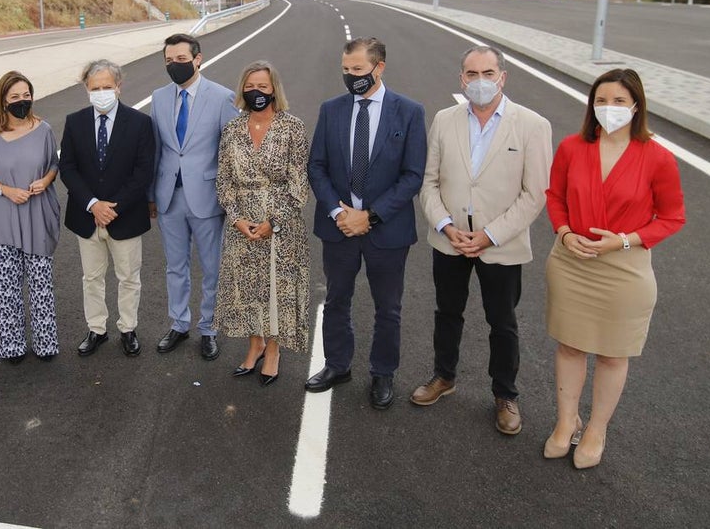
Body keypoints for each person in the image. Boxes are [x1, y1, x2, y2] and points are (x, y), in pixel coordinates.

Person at [542, 68, 685, 468]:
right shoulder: (572, 147)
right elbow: (555, 197)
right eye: (601, 101)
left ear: (636, 106)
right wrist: (566, 233)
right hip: (572, 260)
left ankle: (596, 430)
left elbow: (672, 217)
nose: (609, 108)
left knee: (611, 354)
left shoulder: (658, 158)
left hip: (624, 268)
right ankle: (566, 421)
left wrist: (623, 241)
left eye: (619, 101)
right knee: (569, 345)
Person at [413, 46, 552, 435]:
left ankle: (505, 394)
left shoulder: (532, 125)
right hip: (451, 241)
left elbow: (534, 194)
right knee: (447, 312)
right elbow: (429, 182)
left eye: (487, 73)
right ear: (461, 79)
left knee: (502, 322)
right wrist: (444, 224)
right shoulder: (444, 120)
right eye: (471, 74)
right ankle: (444, 376)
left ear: (502, 77)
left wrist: (490, 236)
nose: (479, 81)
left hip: (500, 245)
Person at [305, 37, 426, 410]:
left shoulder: (408, 112)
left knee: (387, 308)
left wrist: (369, 216)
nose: (350, 76)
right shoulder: (332, 110)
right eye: (345, 69)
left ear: (379, 67)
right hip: (339, 228)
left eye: (357, 69)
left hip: (386, 230)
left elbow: (412, 175)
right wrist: (338, 212)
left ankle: (382, 372)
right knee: (336, 300)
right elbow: (317, 167)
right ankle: (337, 365)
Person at [214, 61, 311, 387]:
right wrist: (237, 218)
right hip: (241, 224)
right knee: (248, 290)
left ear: (274, 90)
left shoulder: (292, 128)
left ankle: (273, 350)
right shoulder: (232, 129)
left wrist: (274, 221)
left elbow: (299, 184)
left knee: (276, 290)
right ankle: (254, 344)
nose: (257, 92)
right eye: (251, 86)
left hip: (281, 225)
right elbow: (223, 180)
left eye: (263, 87)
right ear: (243, 89)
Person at [150, 33, 239, 360]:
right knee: (175, 266)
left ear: (198, 59)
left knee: (212, 267)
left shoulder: (222, 97)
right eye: (169, 61)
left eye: (182, 60)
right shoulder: (158, 97)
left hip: (207, 196)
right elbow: (156, 150)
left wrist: (232, 200)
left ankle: (209, 328)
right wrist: (151, 195)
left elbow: (233, 153)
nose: (175, 66)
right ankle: (179, 323)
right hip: (169, 197)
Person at [59, 59, 155, 357]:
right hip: (87, 217)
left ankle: (128, 328)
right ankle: (96, 329)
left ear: (118, 87)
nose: (101, 92)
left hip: (124, 216)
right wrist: (92, 204)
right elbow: (68, 168)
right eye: (95, 87)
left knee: (128, 278)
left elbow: (143, 172)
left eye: (107, 87)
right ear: (86, 89)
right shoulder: (74, 122)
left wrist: (114, 207)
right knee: (91, 278)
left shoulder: (140, 123)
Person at [0, 71, 62, 363]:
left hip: (38, 217)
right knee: (7, 287)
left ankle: (45, 343)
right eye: (15, 97)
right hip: (4, 219)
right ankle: (11, 345)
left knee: (41, 285)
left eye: (26, 95)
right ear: (3, 100)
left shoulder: (44, 129)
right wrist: (5, 191)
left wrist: (47, 180)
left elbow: (53, 164)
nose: (21, 101)